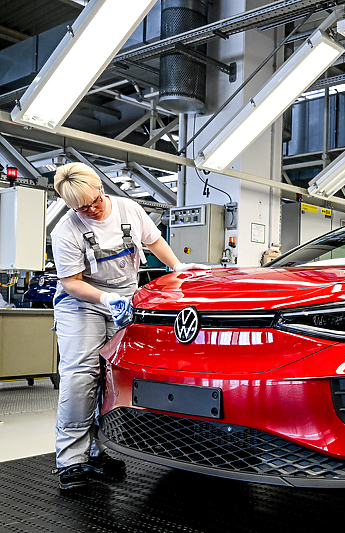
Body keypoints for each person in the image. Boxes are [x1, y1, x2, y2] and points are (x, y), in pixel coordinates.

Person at [50, 162, 202, 490]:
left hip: (126, 300)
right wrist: (106, 300)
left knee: (111, 377)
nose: (90, 211)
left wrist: (178, 265)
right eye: (80, 208)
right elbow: (72, 283)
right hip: (82, 305)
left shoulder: (128, 208)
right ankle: (71, 460)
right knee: (81, 375)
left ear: (101, 188)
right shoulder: (65, 231)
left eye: (94, 202)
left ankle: (96, 451)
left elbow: (154, 241)